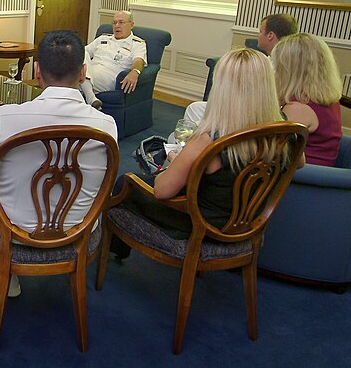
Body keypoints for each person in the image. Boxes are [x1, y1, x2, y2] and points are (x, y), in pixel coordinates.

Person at [0, 30, 118, 297]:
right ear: (83, 72)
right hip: (78, 227)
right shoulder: (106, 125)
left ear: (38, 70)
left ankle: (3, 271)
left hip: (12, 229)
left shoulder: (6, 117)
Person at [115, 48, 304, 247]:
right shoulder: (285, 130)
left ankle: (117, 249)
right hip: (247, 223)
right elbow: (299, 162)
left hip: (202, 225)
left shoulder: (210, 140)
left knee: (125, 183)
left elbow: (162, 191)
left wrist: (176, 161)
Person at [178, 13, 299, 130]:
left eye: (261, 31)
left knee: (190, 123)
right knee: (194, 108)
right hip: (242, 107)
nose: (258, 35)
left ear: (270, 35)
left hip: (249, 113)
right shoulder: (267, 59)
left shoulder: (276, 66)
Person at [271, 33, 343, 166]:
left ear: (289, 70)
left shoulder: (298, 108)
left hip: (303, 177)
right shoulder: (326, 99)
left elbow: (273, 152)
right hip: (322, 173)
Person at [80, 10, 146, 106]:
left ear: (131, 25)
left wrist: (135, 71)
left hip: (107, 77)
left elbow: (139, 60)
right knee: (82, 52)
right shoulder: (103, 38)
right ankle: (91, 98)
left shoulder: (137, 44)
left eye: (121, 22)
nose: (117, 26)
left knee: (67, 82)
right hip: (89, 71)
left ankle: (87, 96)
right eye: (114, 23)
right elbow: (82, 53)